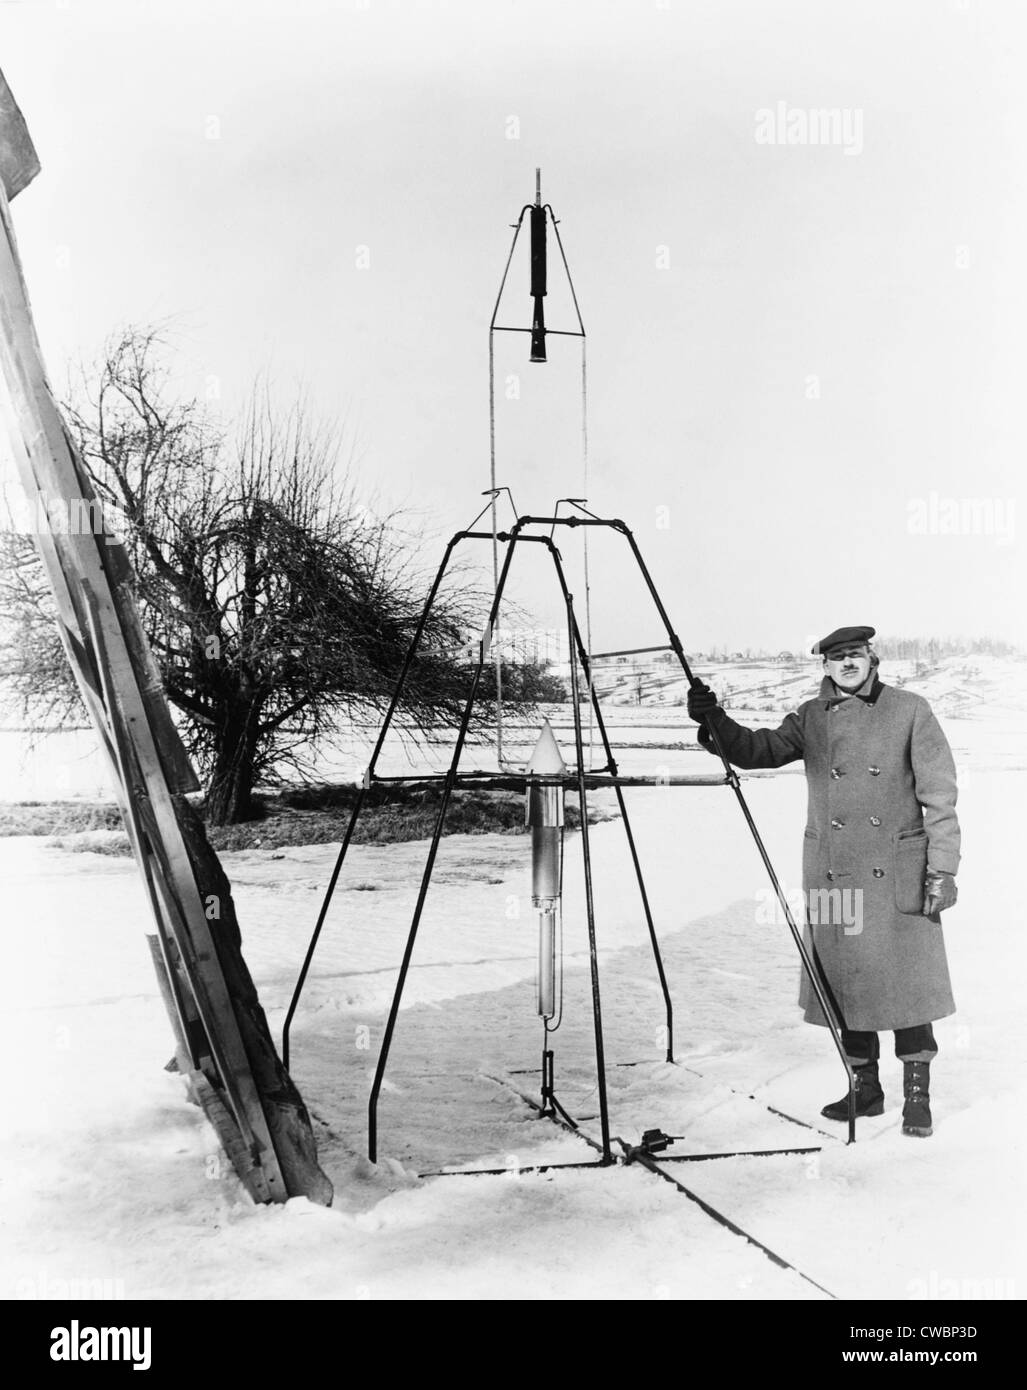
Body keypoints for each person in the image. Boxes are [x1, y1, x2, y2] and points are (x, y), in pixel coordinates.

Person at [687, 625, 959, 1138]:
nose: (847, 664)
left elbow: (940, 797)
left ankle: (917, 1096)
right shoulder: (812, 717)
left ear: (872, 658)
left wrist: (942, 870)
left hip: (897, 870)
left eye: (855, 655)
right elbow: (757, 750)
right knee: (845, 981)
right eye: (837, 658)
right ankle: (865, 1088)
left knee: (906, 985)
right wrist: (713, 719)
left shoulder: (910, 709)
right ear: (826, 667)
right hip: (834, 871)